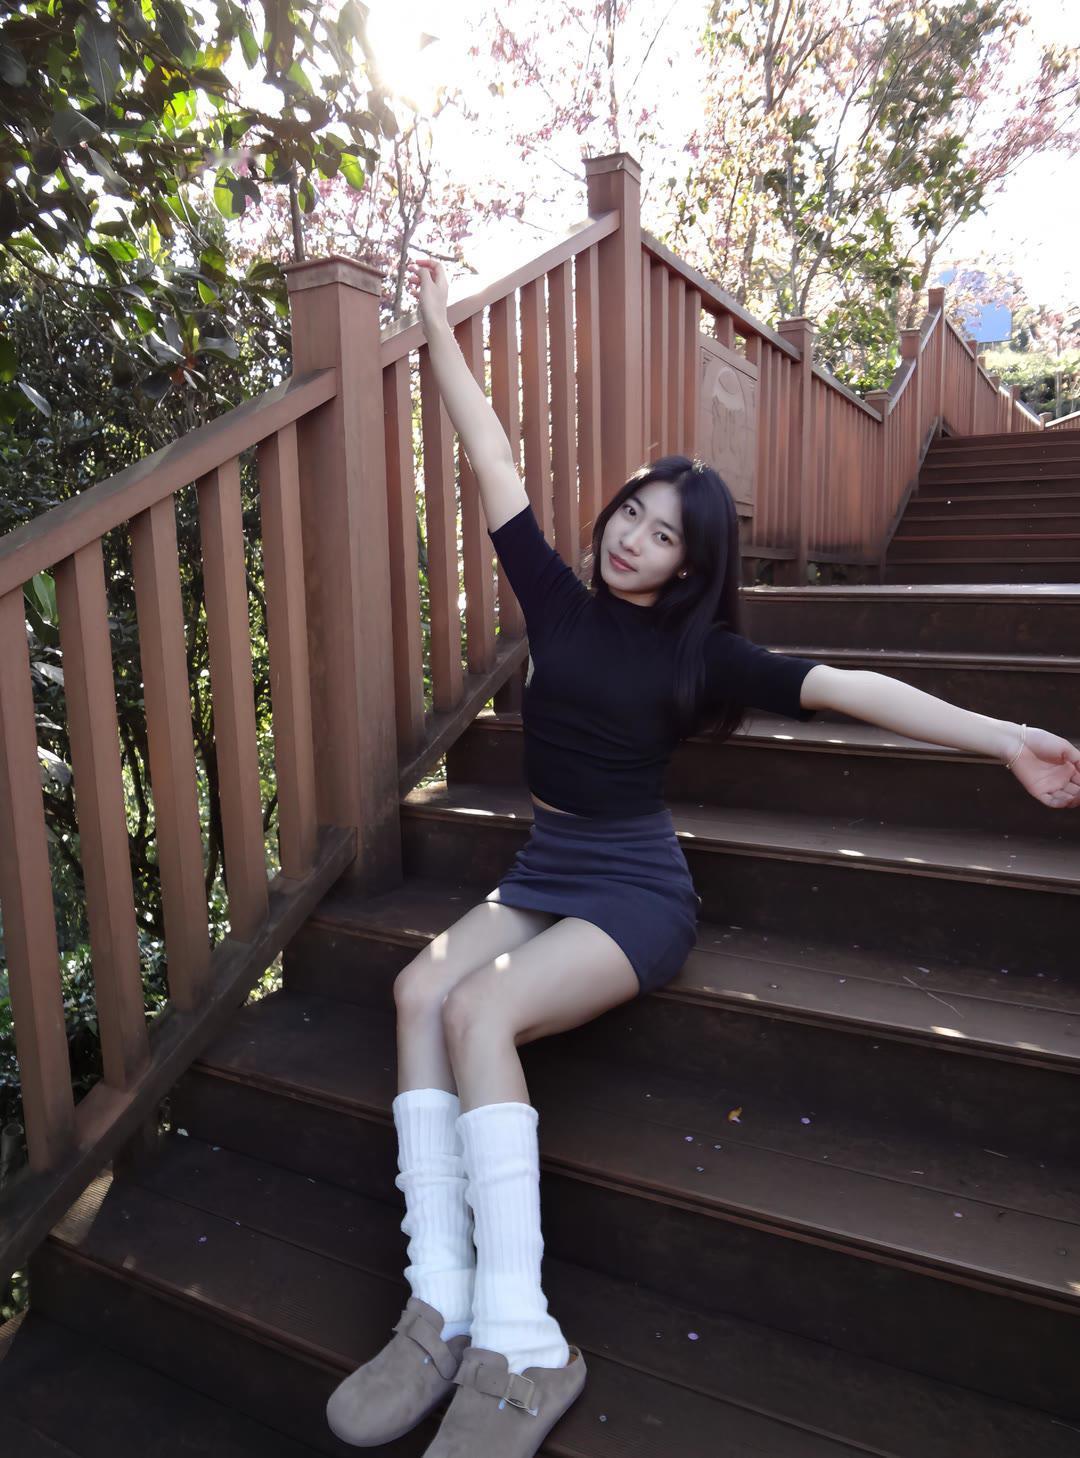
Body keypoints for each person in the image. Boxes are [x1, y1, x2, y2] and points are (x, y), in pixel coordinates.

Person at [325, 258, 1080, 1457]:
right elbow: (492, 456)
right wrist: (431, 324)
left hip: (635, 892)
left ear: (692, 561)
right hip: (547, 868)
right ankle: (441, 1304)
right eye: (631, 512)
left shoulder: (702, 659)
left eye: (663, 533)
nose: (633, 537)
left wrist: (1004, 740)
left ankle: (524, 1339)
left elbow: (852, 685)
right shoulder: (557, 601)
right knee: (419, 988)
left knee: (478, 1011)